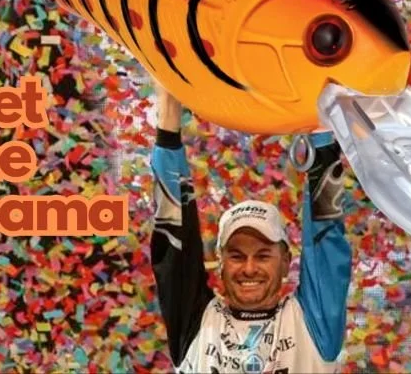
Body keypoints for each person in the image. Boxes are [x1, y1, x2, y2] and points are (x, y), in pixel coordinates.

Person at [149, 83, 353, 374]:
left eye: (262, 255)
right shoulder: (196, 324)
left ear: (285, 262)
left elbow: (326, 233)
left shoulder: (311, 324)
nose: (249, 268)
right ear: (219, 264)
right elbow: (173, 236)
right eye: (236, 255)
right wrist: (168, 114)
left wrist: (319, 113)